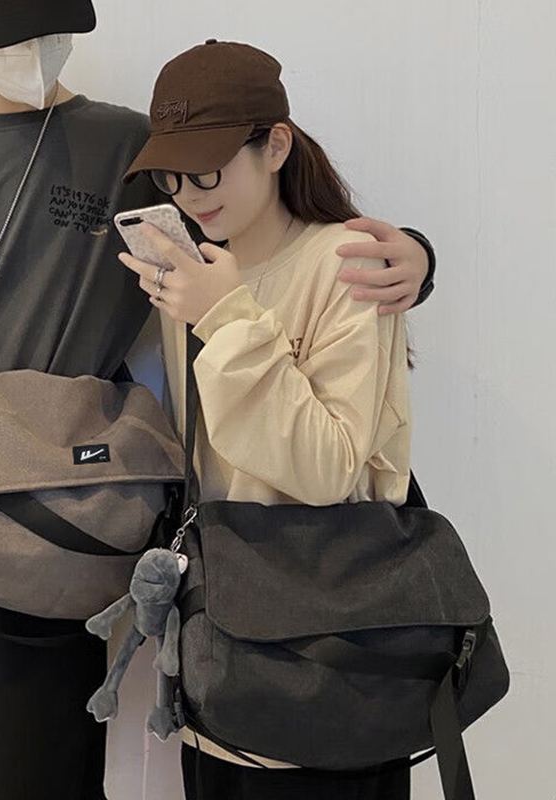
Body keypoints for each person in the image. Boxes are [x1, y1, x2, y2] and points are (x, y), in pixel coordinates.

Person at [0, 4, 435, 797]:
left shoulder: (130, 154)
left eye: (54, 24)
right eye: (12, 28)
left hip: (57, 545)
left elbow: (267, 232)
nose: (37, 47)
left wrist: (413, 258)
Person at [118, 39, 430, 800]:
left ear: (277, 147)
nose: (190, 195)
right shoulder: (191, 275)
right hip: (224, 653)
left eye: (207, 171)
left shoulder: (347, 262)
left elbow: (328, 469)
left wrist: (227, 318)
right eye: (171, 177)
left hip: (331, 648)